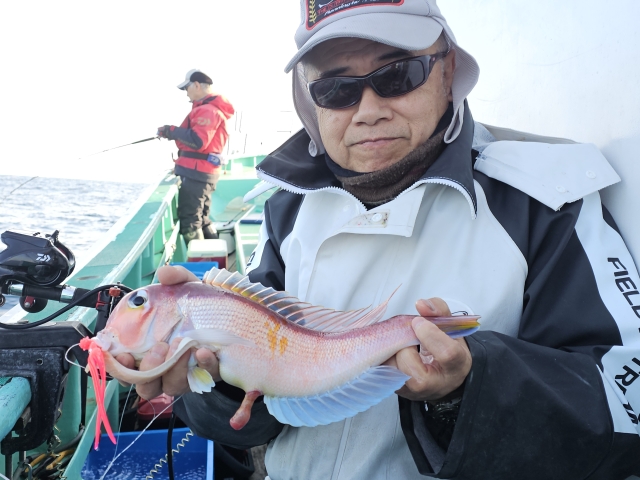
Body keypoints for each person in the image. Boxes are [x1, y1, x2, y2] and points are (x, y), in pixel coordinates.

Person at [122, 1, 640, 478]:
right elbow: (249, 421)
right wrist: (212, 383)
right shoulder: (288, 207)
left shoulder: (544, 200)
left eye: (398, 75)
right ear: (310, 100)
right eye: (336, 88)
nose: (368, 110)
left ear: (448, 72)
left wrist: (467, 389)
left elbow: (626, 407)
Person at [157, 69, 235, 244]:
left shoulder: (207, 110)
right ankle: (214, 256)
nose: (186, 93)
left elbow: (198, 141)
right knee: (202, 218)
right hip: (204, 173)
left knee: (190, 222)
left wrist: (171, 131)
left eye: (187, 88)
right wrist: (172, 132)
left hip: (196, 173)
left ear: (197, 85)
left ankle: (201, 260)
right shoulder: (212, 109)